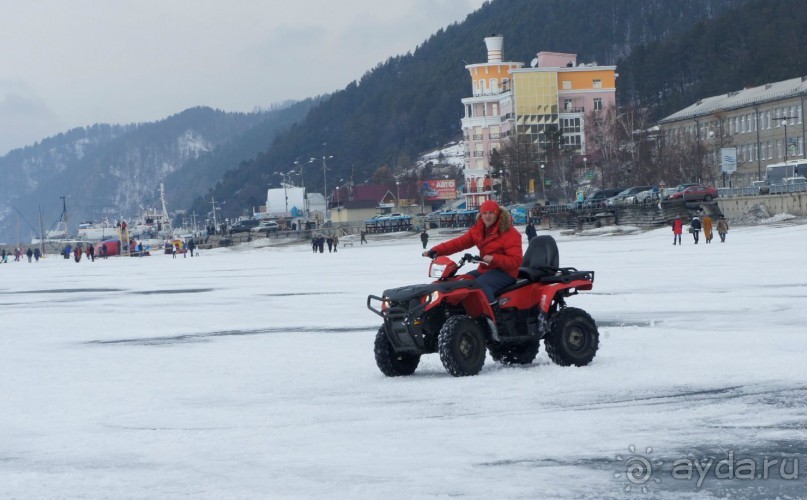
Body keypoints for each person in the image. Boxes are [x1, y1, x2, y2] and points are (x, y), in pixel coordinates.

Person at [423, 200, 522, 306]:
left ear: (497, 214)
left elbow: (516, 261)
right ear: (481, 214)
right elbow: (459, 243)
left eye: (491, 213)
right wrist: (437, 250)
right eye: (484, 213)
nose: (487, 216)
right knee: (461, 282)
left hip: (505, 273)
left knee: (481, 285)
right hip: (484, 270)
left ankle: (493, 316)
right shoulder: (478, 230)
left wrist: (494, 258)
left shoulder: (510, 233)